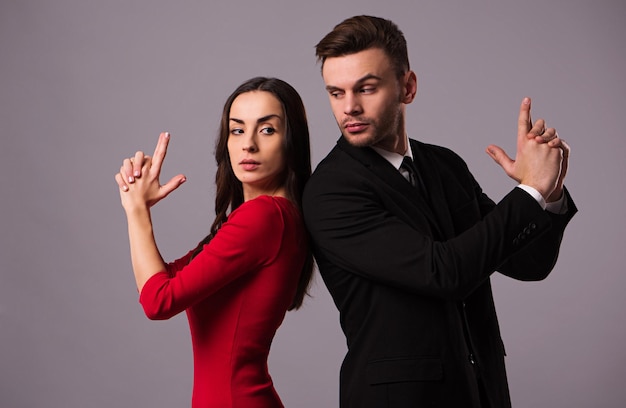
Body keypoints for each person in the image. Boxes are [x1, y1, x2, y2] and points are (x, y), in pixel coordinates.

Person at [302, 15, 577, 408]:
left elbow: (529, 263)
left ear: (407, 87)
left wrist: (548, 191)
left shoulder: (445, 165)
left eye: (366, 88)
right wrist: (529, 189)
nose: (350, 107)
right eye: (336, 92)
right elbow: (444, 272)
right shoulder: (330, 191)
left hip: (481, 392)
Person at [114, 77, 313, 408]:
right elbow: (163, 280)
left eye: (267, 130)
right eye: (237, 130)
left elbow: (158, 301)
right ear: (226, 141)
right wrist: (137, 205)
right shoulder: (266, 218)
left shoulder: (264, 217)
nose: (248, 144)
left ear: (291, 142)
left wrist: (136, 212)